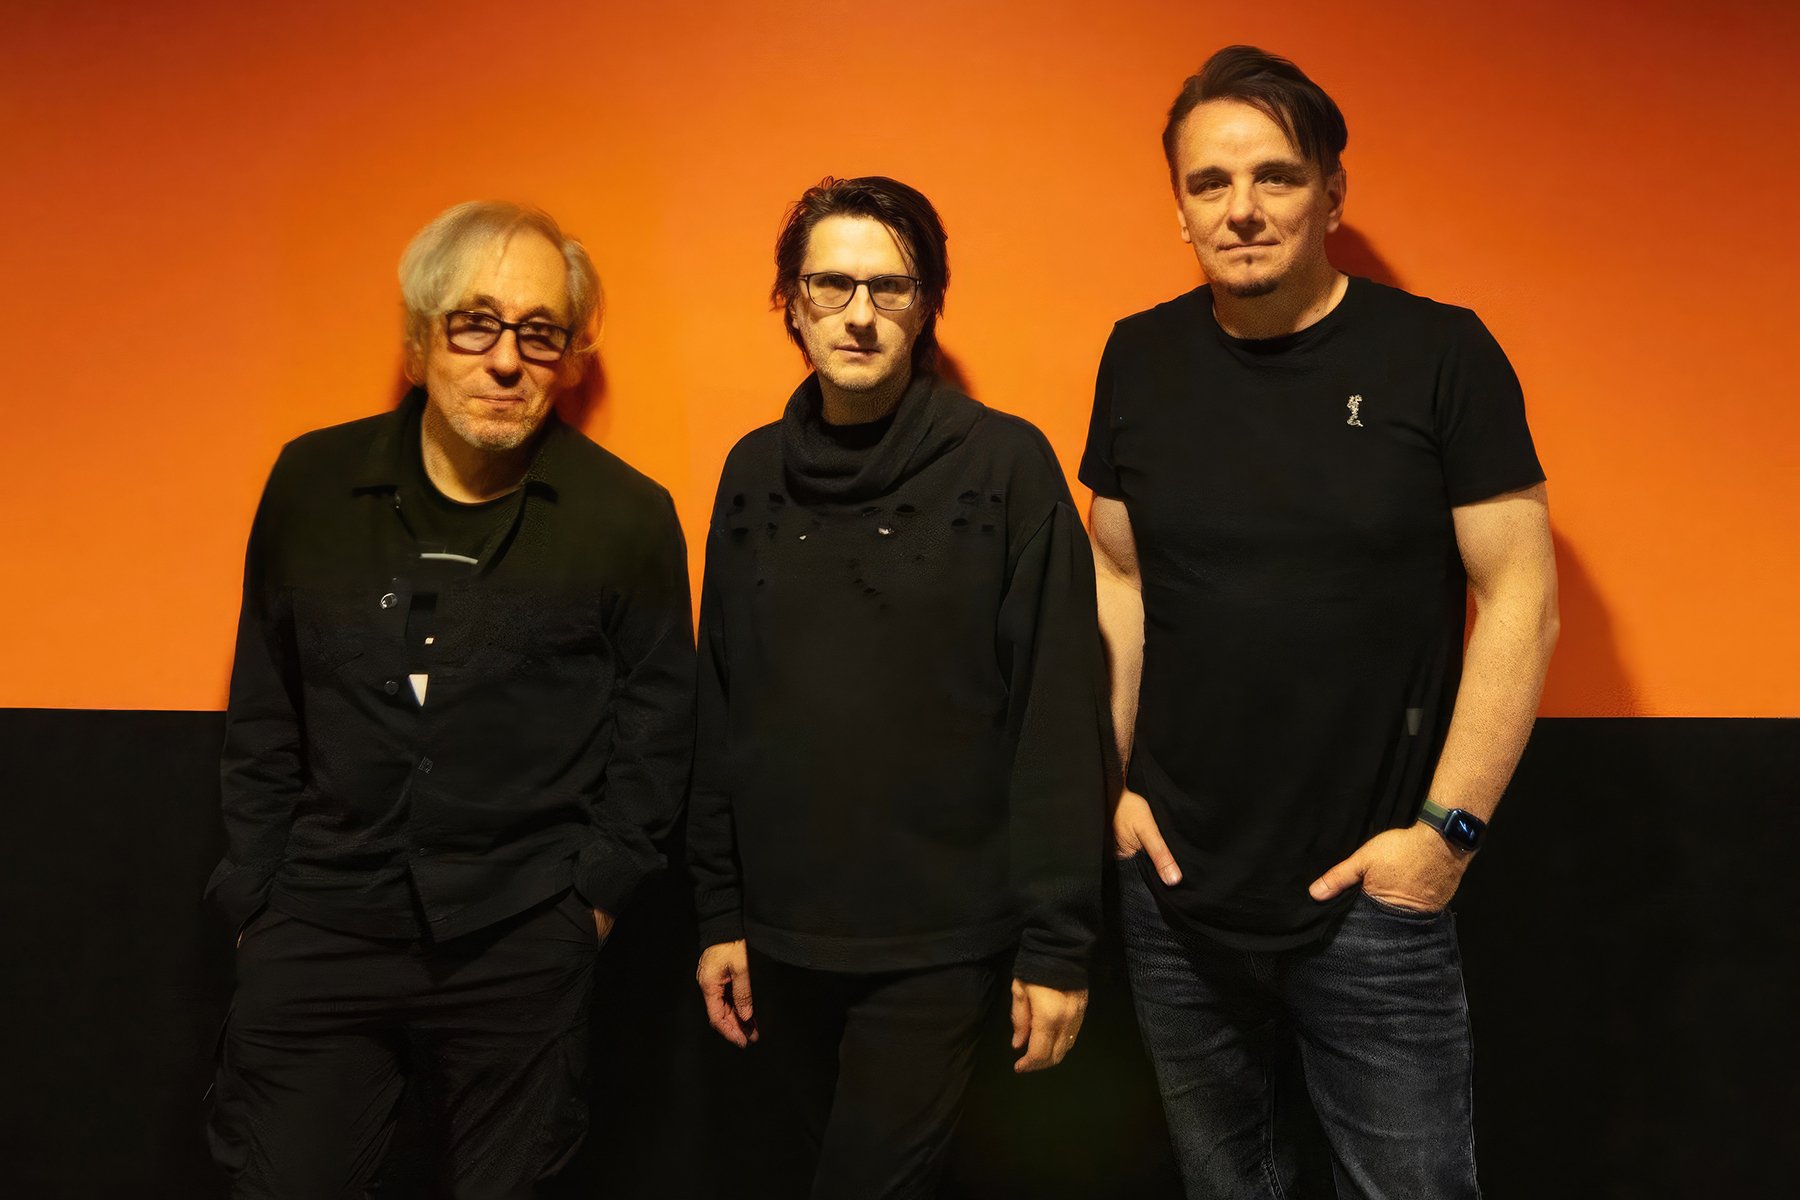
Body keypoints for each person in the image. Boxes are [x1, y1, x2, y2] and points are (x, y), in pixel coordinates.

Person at [1083, 47, 1559, 1198]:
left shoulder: (1439, 353)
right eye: (1209, 182)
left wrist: (1445, 838)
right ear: (1180, 207)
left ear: (1332, 192)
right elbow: (1118, 577)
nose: (1241, 209)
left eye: (1276, 176)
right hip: (1175, 890)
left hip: (1372, 896)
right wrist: (1112, 786)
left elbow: (1522, 598)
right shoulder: (1139, 357)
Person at [205, 201, 694, 1196]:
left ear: (569, 358)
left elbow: (657, 724)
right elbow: (265, 700)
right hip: (319, 922)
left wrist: (592, 903)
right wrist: (254, 895)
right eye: (475, 324)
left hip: (521, 930)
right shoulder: (311, 483)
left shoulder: (629, 516)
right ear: (419, 340)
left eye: (540, 332)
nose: (506, 360)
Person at [688, 176, 1106, 1199]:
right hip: (779, 941)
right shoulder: (751, 472)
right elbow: (722, 705)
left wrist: (1059, 946)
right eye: (831, 285)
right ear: (791, 302)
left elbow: (1056, 712)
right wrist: (717, 912)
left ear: (927, 307)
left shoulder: (1005, 465)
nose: (860, 314)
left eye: (890, 287)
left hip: (941, 939)